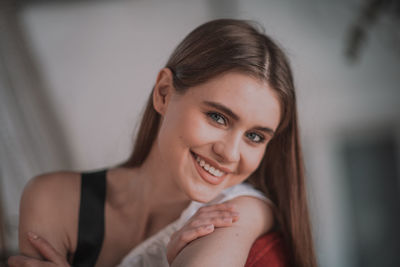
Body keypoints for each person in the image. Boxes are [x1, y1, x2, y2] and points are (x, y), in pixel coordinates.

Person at [8, 19, 317, 267]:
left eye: (255, 136)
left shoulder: (242, 211)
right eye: (218, 117)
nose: (230, 153)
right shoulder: (52, 199)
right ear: (164, 93)